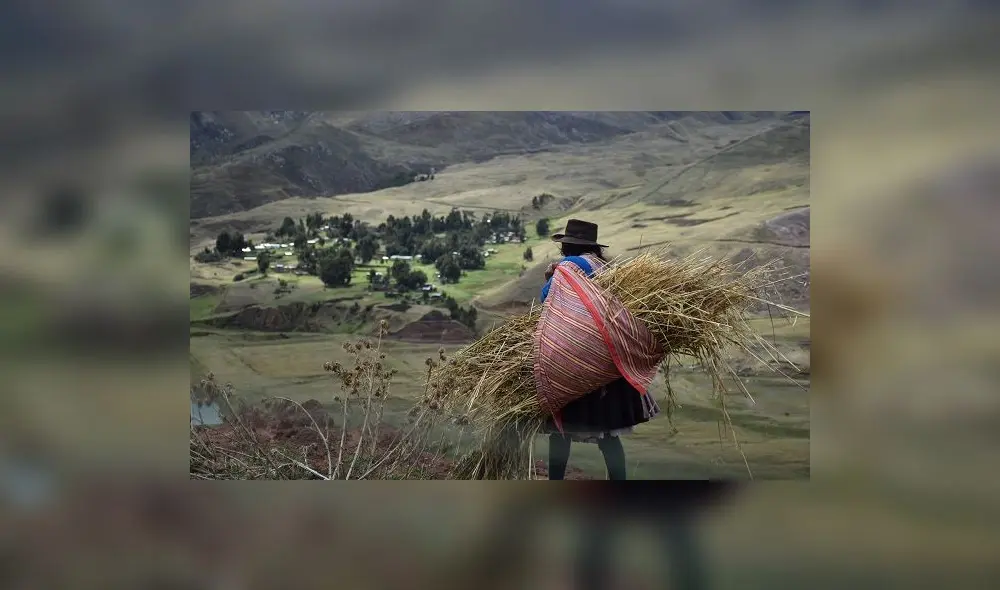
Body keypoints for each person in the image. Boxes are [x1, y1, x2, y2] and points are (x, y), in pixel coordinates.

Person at [538, 219, 661, 480]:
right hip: (608, 359)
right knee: (608, 434)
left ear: (567, 245)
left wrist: (552, 277)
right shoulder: (604, 267)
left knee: (562, 430)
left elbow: (547, 297)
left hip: (577, 358)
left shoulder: (569, 266)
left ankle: (555, 481)